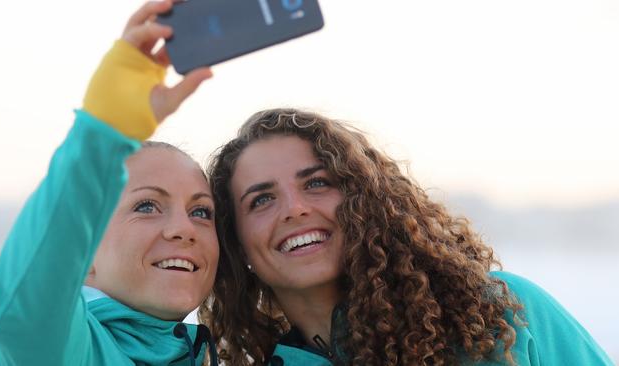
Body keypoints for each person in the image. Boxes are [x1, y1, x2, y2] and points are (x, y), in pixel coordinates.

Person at [202, 108, 613, 365]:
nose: (293, 208)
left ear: (366, 203)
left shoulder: (504, 315)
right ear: (237, 245)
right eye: (261, 200)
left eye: (316, 183)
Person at [0, 1, 219, 365]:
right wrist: (104, 131)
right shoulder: (54, 350)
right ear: (84, 252)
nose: (182, 229)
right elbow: (30, 299)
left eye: (201, 211)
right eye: (146, 206)